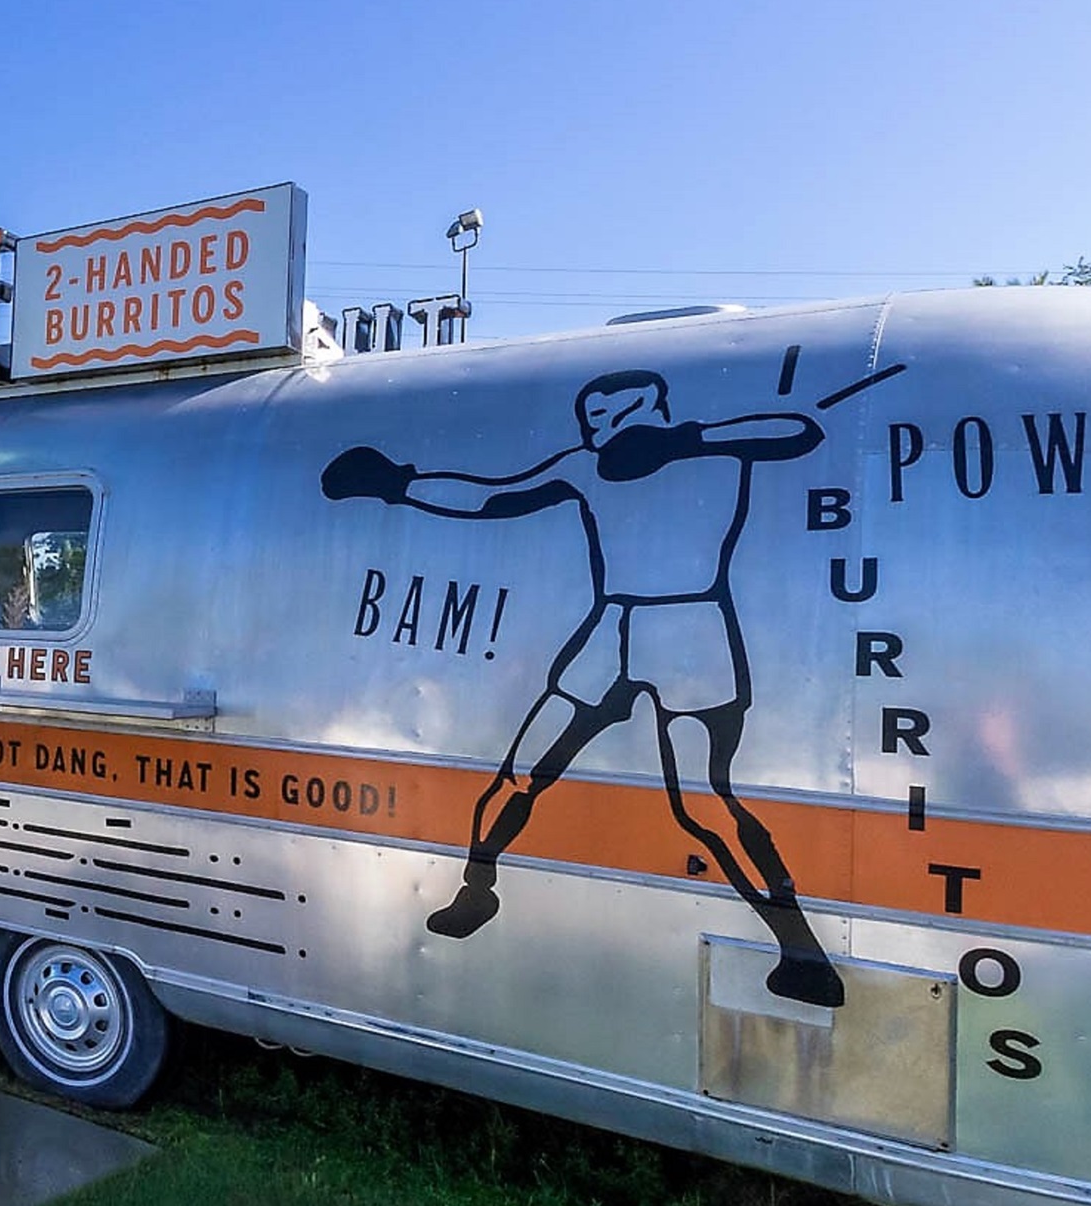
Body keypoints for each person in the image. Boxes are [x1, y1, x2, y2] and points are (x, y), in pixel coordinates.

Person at [321, 369, 843, 1007]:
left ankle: (801, 950)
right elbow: (493, 497)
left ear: (648, 408)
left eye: (609, 418)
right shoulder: (588, 466)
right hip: (611, 625)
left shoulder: (716, 448)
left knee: (703, 802)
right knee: (520, 772)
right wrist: (399, 487)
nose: (598, 432)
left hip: (691, 627)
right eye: (591, 421)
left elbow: (799, 430)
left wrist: (682, 440)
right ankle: (477, 891)